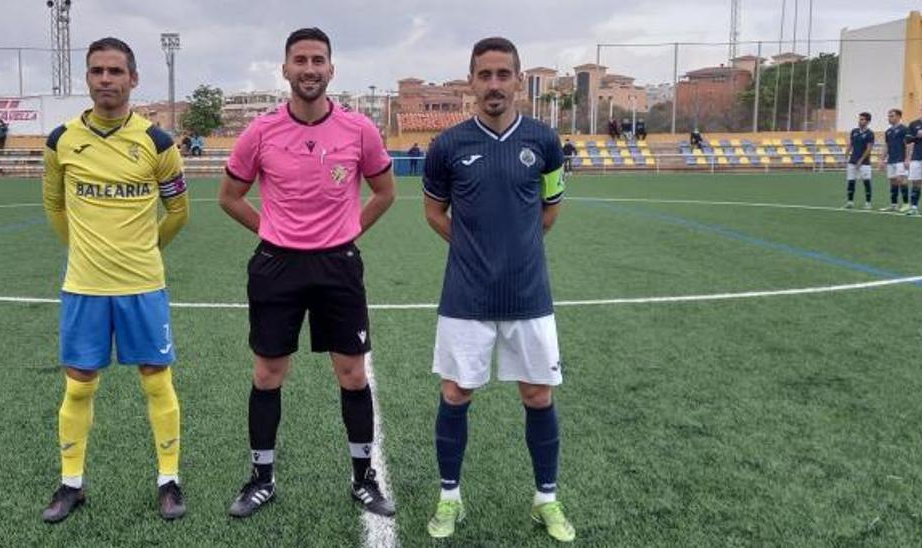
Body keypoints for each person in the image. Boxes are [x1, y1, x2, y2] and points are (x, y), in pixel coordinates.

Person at [218, 27, 397, 519]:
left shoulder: (360, 130)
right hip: (277, 265)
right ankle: (261, 478)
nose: (310, 69)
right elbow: (229, 197)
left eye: (318, 60)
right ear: (286, 69)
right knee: (268, 373)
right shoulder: (261, 131)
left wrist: (347, 231)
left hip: (337, 264)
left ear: (331, 69)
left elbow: (384, 191)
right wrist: (272, 229)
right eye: (301, 60)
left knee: (353, 375)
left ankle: (364, 479)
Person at [421, 36, 574, 542]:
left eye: (502, 75)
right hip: (466, 295)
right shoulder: (448, 146)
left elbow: (550, 208)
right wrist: (472, 249)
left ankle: (545, 500)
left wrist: (520, 248)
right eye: (483, 75)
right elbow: (433, 212)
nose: (493, 85)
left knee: (537, 394)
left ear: (518, 81)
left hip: (530, 294)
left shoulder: (544, 142)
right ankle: (450, 498)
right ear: (471, 81)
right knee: (456, 392)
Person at [39, 36, 191, 524]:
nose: (106, 79)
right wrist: (81, 250)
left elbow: (178, 210)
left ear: (133, 79)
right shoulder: (61, 141)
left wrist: (144, 250)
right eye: (97, 71)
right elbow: (55, 205)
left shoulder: (157, 142)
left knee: (156, 379)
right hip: (84, 286)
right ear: (87, 78)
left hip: (143, 285)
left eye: (115, 71)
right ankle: (71, 484)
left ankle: (169, 480)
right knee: (79, 385)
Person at [843, 112, 875, 210]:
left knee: (866, 182)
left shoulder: (870, 134)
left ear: (868, 121)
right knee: (851, 181)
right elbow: (850, 144)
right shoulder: (854, 131)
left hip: (864, 163)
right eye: (859, 119)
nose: (860, 121)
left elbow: (869, 148)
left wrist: (861, 160)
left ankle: (868, 203)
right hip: (852, 161)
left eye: (862, 119)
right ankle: (850, 202)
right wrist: (846, 154)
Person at [880, 109, 910, 212]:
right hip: (891, 160)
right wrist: (882, 160)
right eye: (889, 116)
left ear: (898, 117)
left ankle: (906, 204)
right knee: (892, 182)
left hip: (900, 160)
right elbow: (887, 146)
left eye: (892, 116)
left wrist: (907, 159)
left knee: (901, 180)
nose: (889, 118)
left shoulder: (904, 129)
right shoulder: (888, 131)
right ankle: (893, 204)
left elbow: (908, 145)